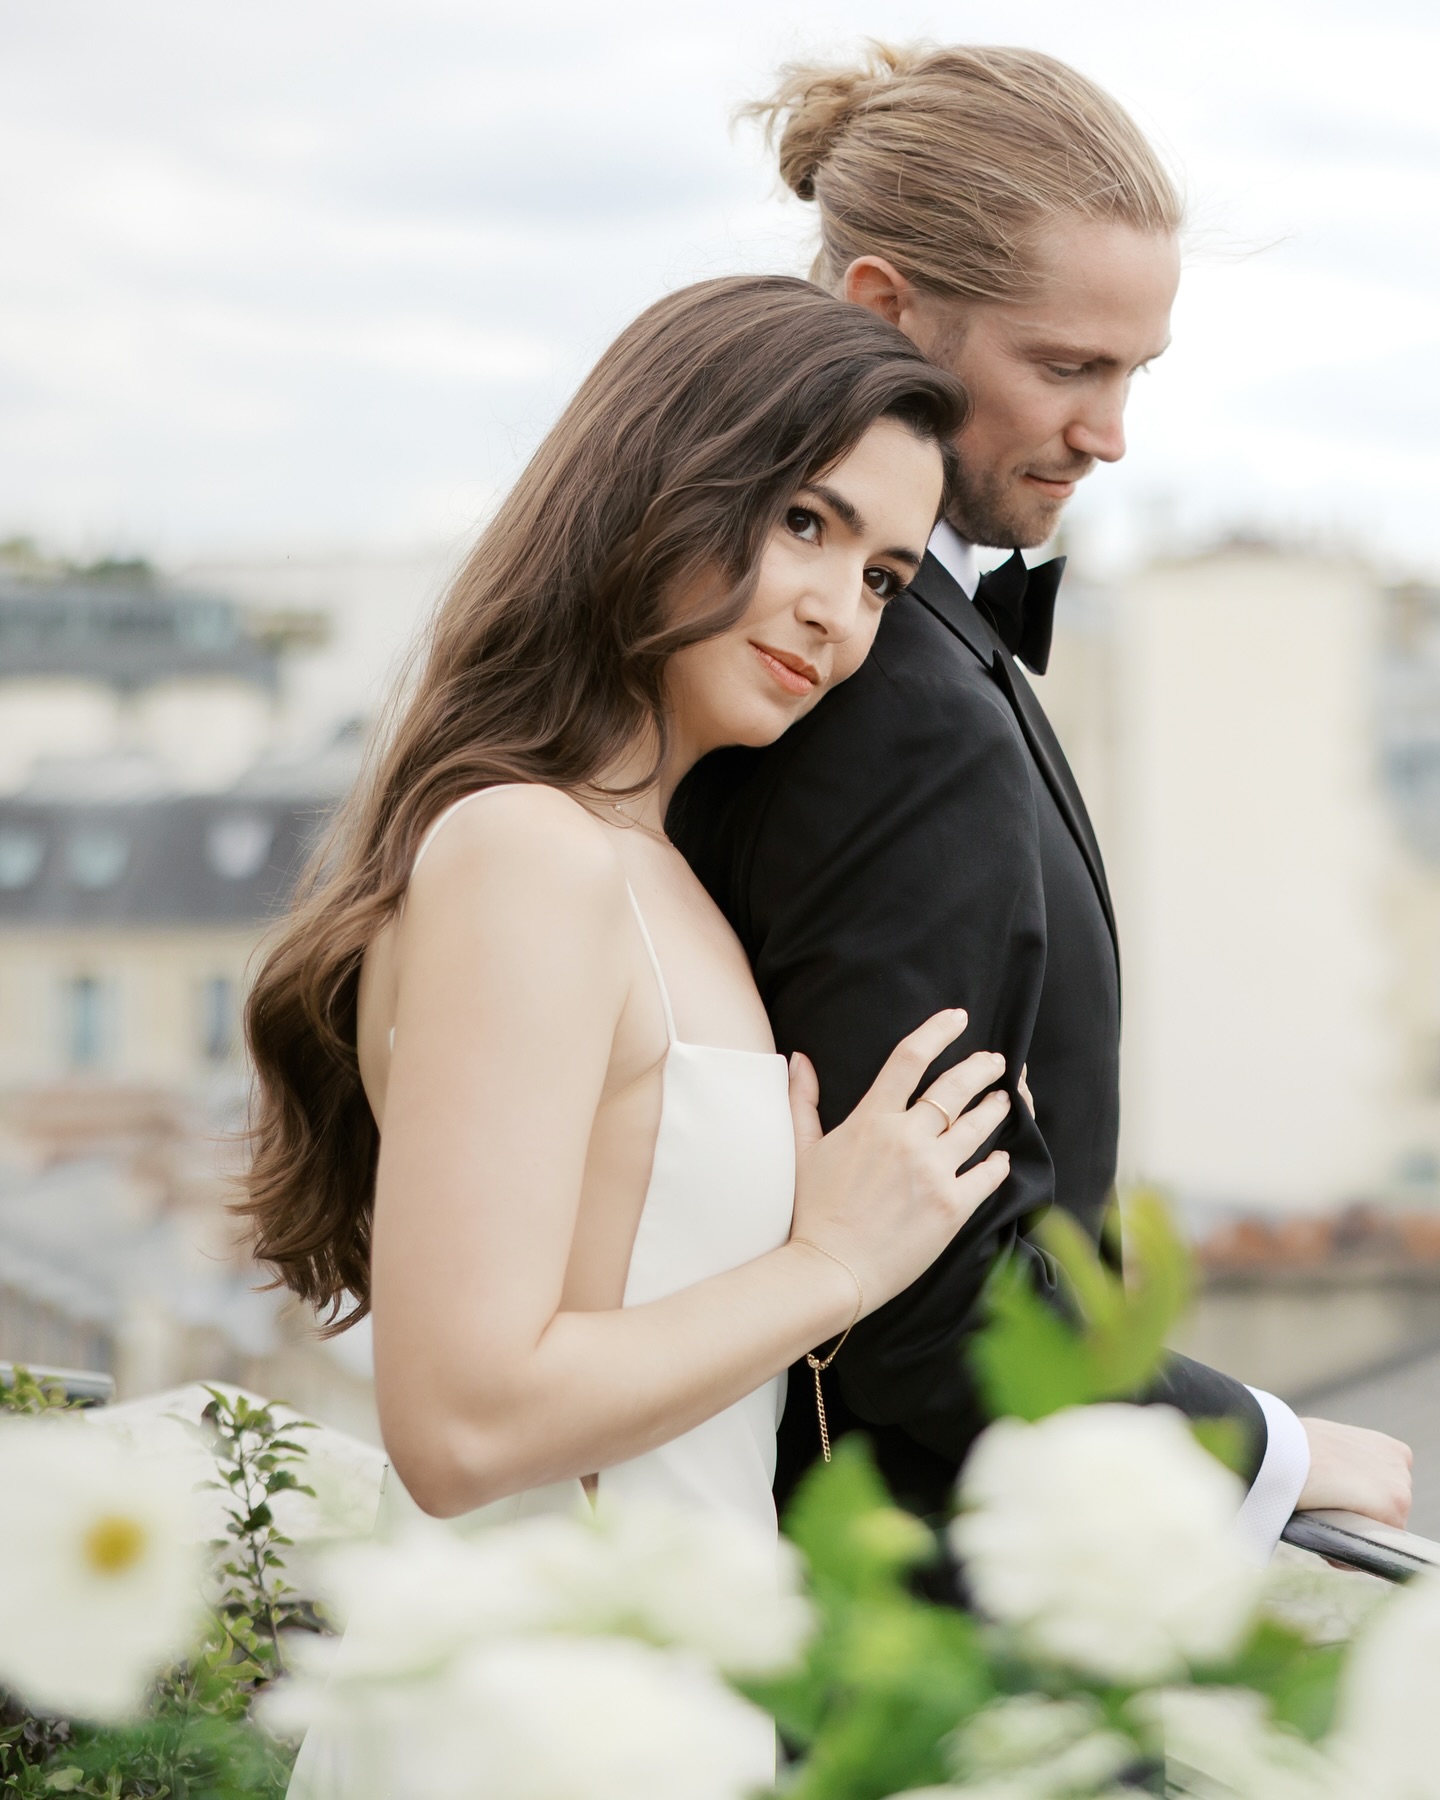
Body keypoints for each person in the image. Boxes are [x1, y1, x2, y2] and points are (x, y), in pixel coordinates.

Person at [239, 274, 1014, 1792]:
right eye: (805, 520)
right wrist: (834, 1263)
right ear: (663, 476)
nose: (835, 612)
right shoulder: (527, 852)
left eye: (884, 579)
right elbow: (460, 1425)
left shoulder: (663, 879)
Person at [670, 45, 1412, 1553]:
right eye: (1068, 368)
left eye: (1134, 373)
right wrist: (1261, 1446)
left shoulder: (866, 653)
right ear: (885, 312)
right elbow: (929, 1295)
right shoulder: (888, 704)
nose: (1111, 433)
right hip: (904, 1613)